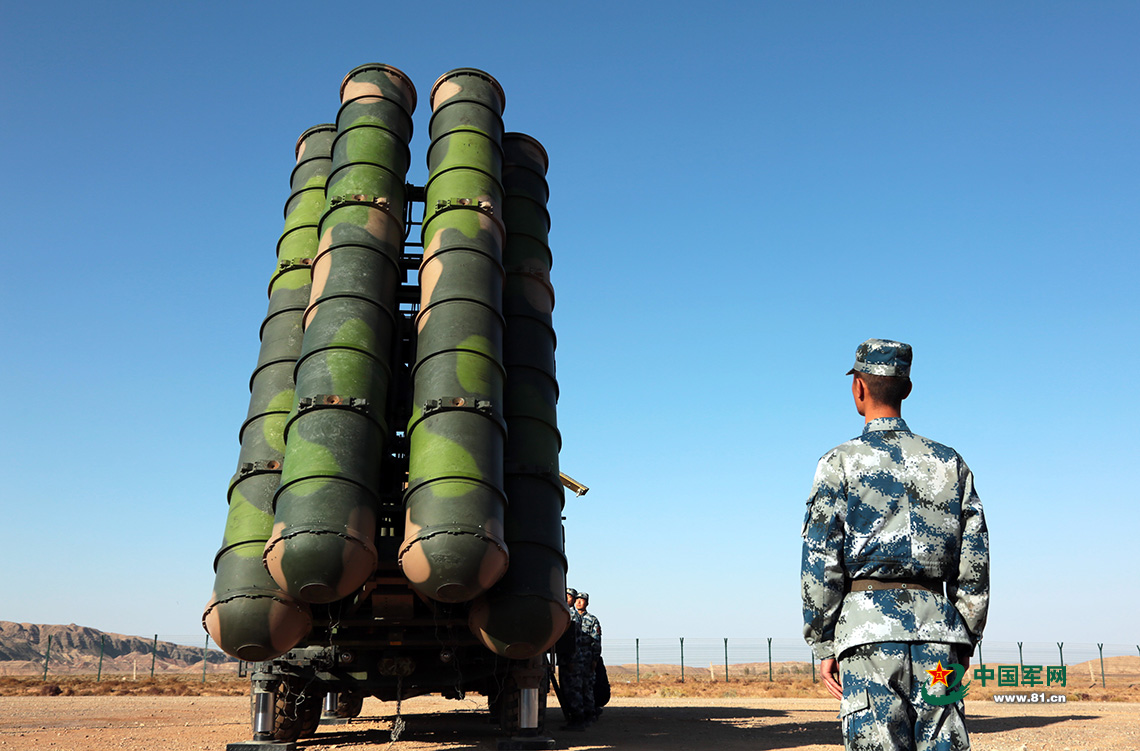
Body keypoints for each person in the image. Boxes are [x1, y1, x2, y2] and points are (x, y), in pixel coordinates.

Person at [801, 339, 990, 751]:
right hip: (940, 636)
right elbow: (974, 562)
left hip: (866, 638)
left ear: (858, 388)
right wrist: (965, 636)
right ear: (907, 388)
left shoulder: (839, 463)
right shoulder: (950, 463)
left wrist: (823, 642)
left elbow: (821, 561)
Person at [564, 591, 601, 730]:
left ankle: (584, 716)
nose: (579, 602)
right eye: (577, 599)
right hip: (573, 656)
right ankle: (579, 717)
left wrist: (595, 659)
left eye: (582, 600)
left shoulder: (588, 619)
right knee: (574, 688)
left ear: (587, 602)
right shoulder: (568, 614)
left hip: (583, 656)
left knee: (583, 688)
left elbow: (595, 640)